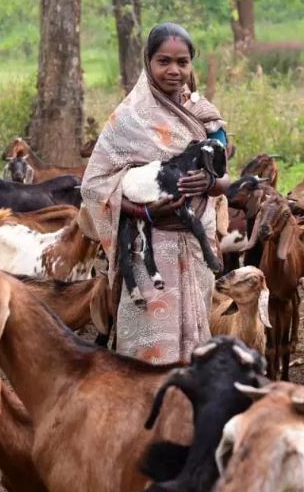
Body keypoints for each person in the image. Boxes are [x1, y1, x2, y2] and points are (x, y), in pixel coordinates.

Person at [80, 22, 231, 364]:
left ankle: (185, 414)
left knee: (194, 351)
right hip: (150, 249)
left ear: (192, 64)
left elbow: (227, 180)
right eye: (164, 61)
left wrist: (208, 184)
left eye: (182, 62)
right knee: (149, 350)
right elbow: (94, 184)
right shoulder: (129, 119)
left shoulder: (205, 117)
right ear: (148, 62)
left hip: (196, 246)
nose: (174, 70)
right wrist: (146, 212)